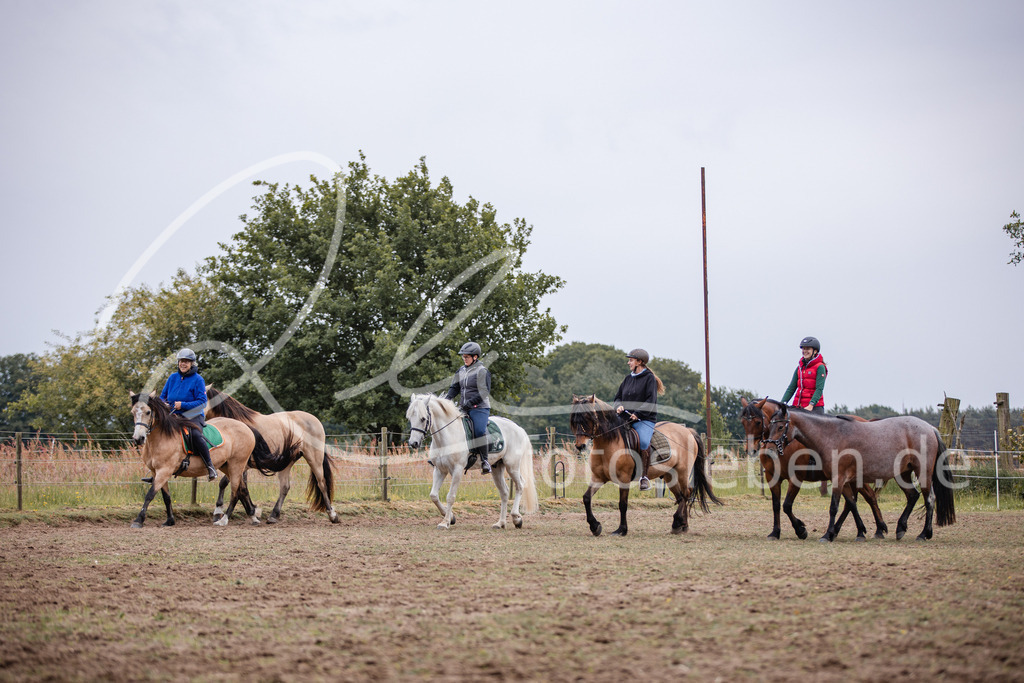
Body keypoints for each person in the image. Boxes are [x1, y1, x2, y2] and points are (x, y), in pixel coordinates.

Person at [157, 348, 218, 481]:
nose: (183, 364)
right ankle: (159, 469)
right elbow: (162, 396)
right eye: (181, 361)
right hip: (174, 415)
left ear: (192, 364)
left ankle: (210, 466)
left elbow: (202, 402)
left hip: (193, 415)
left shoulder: (198, 380)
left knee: (195, 434)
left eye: (186, 361)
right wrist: (164, 404)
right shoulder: (172, 377)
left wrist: (183, 405)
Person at [613, 348, 665, 491]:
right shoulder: (628, 378)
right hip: (625, 418)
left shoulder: (649, 378)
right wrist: (618, 406)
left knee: (642, 441)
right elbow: (617, 397)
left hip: (644, 419)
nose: (628, 362)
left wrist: (638, 413)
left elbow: (651, 401)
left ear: (639, 362)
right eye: (629, 359)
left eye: (631, 360)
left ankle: (644, 477)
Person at [444, 341, 492, 475]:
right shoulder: (461, 370)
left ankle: (485, 461)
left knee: (479, 430)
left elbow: (484, 392)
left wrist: (470, 403)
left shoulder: (482, 371)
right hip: (463, 407)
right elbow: (454, 388)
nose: (464, 359)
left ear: (475, 357)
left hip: (479, 408)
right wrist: (447, 400)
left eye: (467, 357)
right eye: (463, 357)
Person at [780, 336, 828, 413]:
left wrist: (811, 405)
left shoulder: (820, 367)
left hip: (814, 408)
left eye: (808, 349)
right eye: (803, 349)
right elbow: (791, 388)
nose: (805, 351)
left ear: (815, 351)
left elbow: (819, 389)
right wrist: (782, 403)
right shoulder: (799, 367)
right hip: (798, 406)